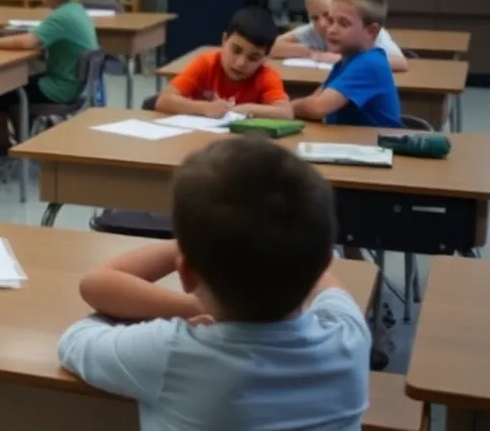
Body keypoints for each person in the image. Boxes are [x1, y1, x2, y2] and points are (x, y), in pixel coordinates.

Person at [58, 136, 370, 430]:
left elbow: (76, 337)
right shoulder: (349, 337)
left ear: (186, 273)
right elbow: (318, 268)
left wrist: (190, 249)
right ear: (324, 264)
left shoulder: (173, 353)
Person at [0, 0, 99, 159]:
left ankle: (8, 145)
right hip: (72, 84)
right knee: (17, 82)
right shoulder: (76, 10)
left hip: (59, 88)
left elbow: (28, 43)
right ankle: (23, 137)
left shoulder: (60, 17)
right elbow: (39, 38)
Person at [291, 0, 402, 128]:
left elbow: (317, 108)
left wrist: (289, 107)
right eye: (331, 21)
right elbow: (315, 99)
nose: (331, 30)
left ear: (371, 31)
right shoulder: (346, 61)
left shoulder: (370, 63)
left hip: (376, 147)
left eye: (344, 24)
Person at [155, 6, 292, 119]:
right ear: (224, 40)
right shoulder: (206, 63)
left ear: (265, 58)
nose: (240, 63)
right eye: (236, 50)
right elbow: (164, 101)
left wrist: (243, 109)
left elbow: (286, 114)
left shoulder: (266, 76)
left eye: (253, 58)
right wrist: (206, 108)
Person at [273, 0, 408, 72]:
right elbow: (271, 47)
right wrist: (312, 52)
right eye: (314, 18)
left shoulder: (368, 32)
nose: (322, 24)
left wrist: (344, 59)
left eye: (328, 16)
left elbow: (400, 63)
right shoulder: (312, 29)